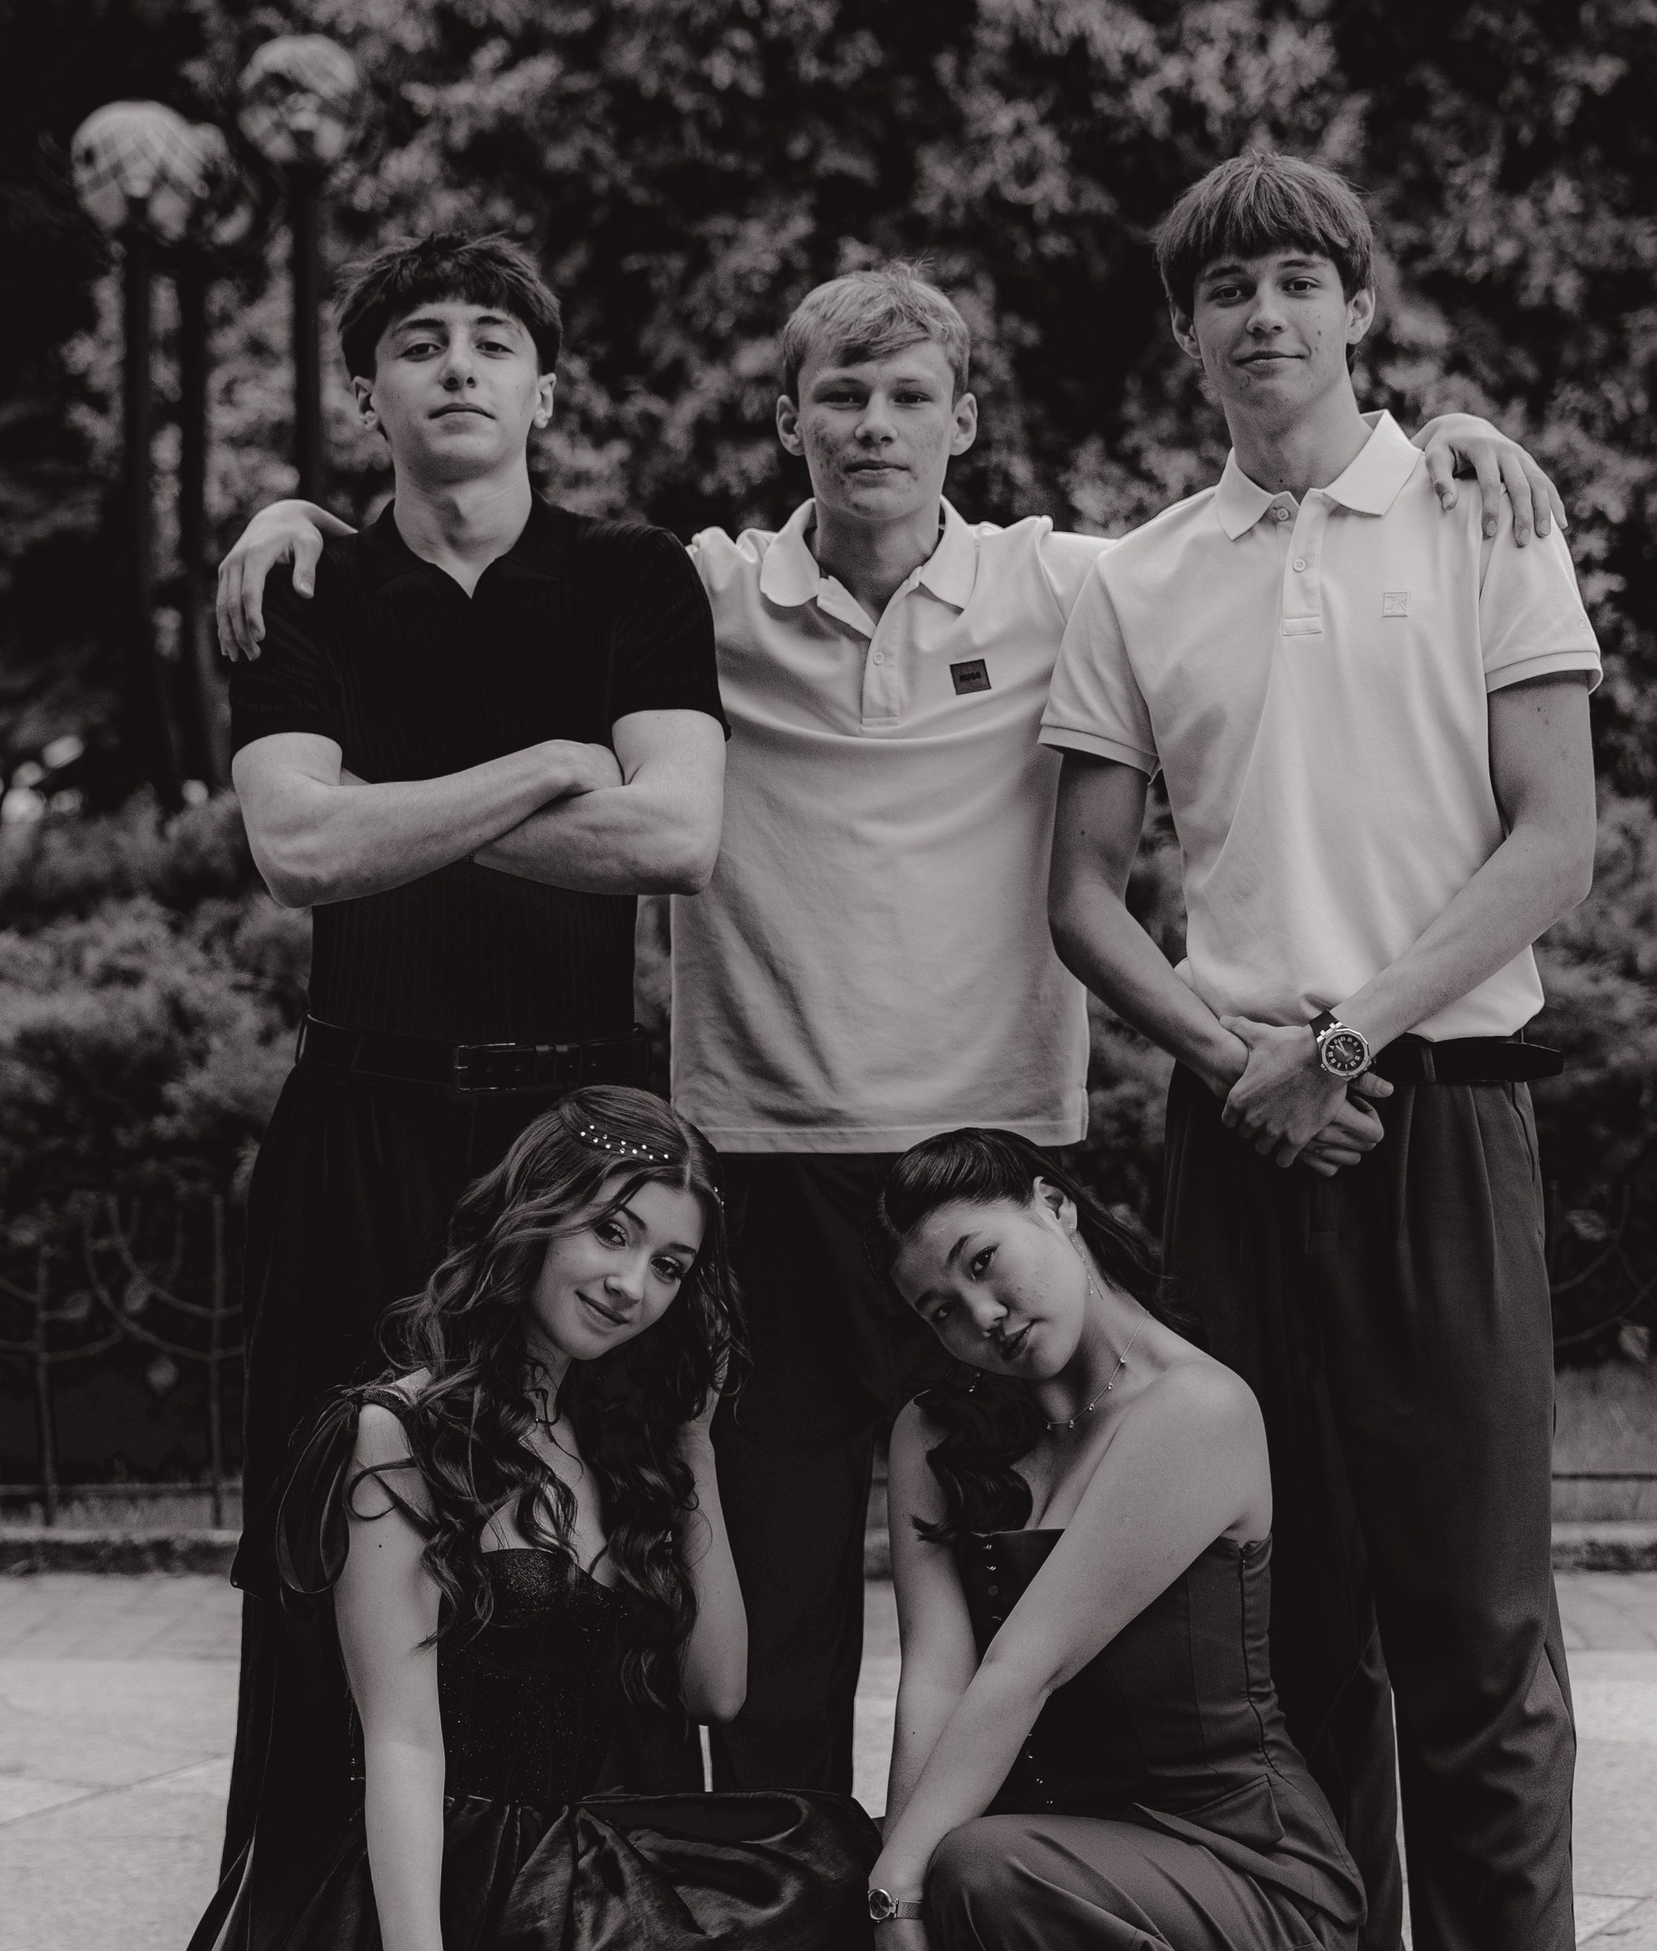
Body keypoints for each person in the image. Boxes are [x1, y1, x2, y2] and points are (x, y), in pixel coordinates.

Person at [219, 265, 1565, 1800]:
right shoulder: (704, 594)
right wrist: (306, 521)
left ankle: (996, 1924)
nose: (875, 425)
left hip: (993, 1167)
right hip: (765, 1171)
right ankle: (784, 1937)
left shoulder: (1073, 586)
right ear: (787, 421)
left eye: (911, 396)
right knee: (780, 1637)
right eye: (842, 397)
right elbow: (497, 528)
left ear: (964, 422)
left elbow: (1259, 540)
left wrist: (1442, 445)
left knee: (1029, 1613)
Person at [1045, 147, 1608, 1951]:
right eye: (1225, 291)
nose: (1264, 318)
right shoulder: (1137, 575)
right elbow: (1087, 889)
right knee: (1282, 1646)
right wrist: (1230, 1058)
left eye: (1300, 280)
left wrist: (1342, 1041)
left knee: (1474, 1644)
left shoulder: (1484, 515)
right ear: (1185, 332)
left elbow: (1552, 842)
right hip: (1235, 1137)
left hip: (1437, 1115)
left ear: (1359, 307)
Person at [0, 1093, 878, 1951]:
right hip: (429, 1866)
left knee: (824, 1866)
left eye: (670, 1265)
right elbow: (400, 1740)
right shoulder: (397, 1431)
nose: (633, 1284)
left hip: (566, 1851)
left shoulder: (622, 1438)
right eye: (611, 1234)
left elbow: (719, 1685)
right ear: (532, 1221)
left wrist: (692, 1444)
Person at [223, 227, 727, 1870]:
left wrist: (391, 809)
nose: (457, 364)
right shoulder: (304, 583)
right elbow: (296, 852)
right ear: (368, 395)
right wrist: (552, 764)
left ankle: (613, 1938)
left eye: (493, 341)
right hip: (362, 1115)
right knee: (329, 1542)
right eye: (419, 341)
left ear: (547, 393)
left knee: (605, 1524)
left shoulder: (632, 578)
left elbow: (678, 837)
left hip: (579, 1138)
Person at [863, 1128, 1364, 1951]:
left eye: (984, 1262)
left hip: (1251, 1882)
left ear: (1056, 1206)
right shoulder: (935, 1431)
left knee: (966, 1866)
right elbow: (935, 1674)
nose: (980, 1317)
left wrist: (902, 1894)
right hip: (1063, 1865)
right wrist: (890, 1893)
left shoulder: (1197, 1411)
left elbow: (1021, 1669)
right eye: (940, 1310)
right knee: (923, 1869)